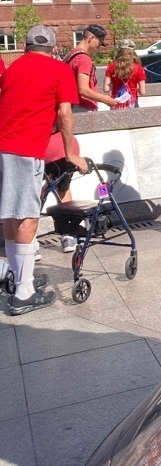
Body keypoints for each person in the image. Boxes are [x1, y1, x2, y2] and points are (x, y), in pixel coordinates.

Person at [0, 25, 88, 315]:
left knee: (11, 215)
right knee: (27, 215)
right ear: (53, 48)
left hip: (3, 147)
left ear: (25, 47)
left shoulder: (12, 69)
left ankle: (19, 278)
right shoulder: (59, 70)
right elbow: (64, 113)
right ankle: (24, 293)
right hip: (25, 150)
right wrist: (70, 153)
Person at [64, 24, 118, 111]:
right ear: (91, 38)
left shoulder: (71, 54)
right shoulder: (84, 58)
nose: (98, 47)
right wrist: (106, 100)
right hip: (82, 107)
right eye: (99, 43)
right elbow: (83, 90)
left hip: (72, 105)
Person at [104, 40, 146, 108]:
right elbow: (142, 92)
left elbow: (106, 89)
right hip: (132, 103)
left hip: (116, 103)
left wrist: (112, 85)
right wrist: (136, 87)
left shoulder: (111, 66)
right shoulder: (139, 68)